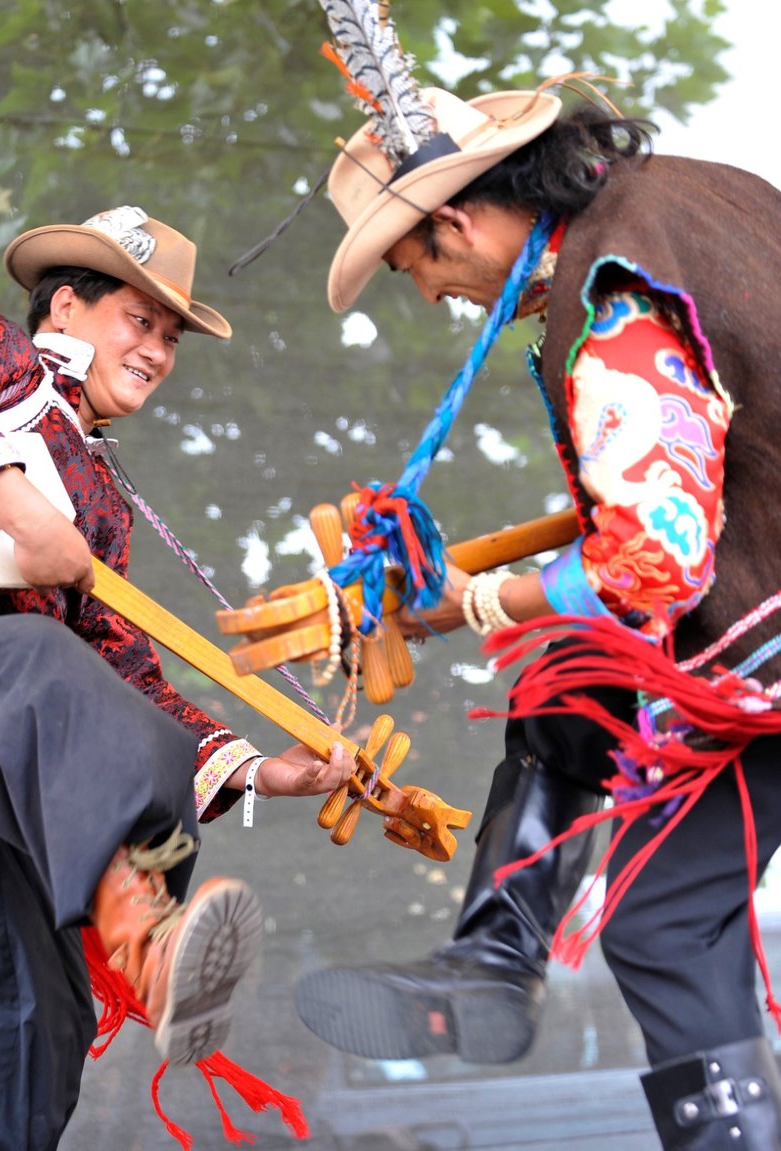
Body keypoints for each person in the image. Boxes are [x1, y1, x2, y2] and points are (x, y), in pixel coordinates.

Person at [288, 29, 781, 1150]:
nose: (429, 295)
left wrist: (466, 603)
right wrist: (487, 578)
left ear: (455, 218)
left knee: (661, 919)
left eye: (413, 265)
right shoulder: (710, 203)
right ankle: (495, 957)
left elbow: (656, 560)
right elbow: (715, 470)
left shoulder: (613, 309)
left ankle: (499, 959)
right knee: (578, 685)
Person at [0, 204, 350, 1151]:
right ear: (64, 304)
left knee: (34, 994)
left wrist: (263, 771)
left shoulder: (102, 502)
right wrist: (19, 509)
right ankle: (148, 930)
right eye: (141, 321)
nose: (158, 351)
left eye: (172, 337)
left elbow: (127, 675)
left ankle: (124, 948)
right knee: (42, 660)